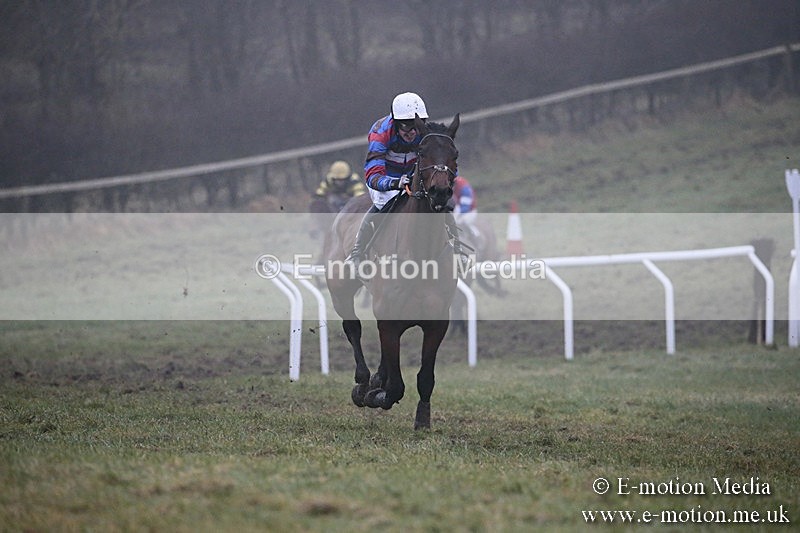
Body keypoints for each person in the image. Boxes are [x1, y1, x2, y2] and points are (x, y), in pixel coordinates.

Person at [345, 92, 465, 270]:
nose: (412, 132)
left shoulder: (425, 132)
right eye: (406, 127)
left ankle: (457, 248)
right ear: (395, 122)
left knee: (441, 202)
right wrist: (395, 183)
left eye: (415, 126)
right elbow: (372, 176)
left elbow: (443, 157)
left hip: (413, 172)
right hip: (385, 176)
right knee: (383, 203)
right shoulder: (381, 133)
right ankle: (358, 251)